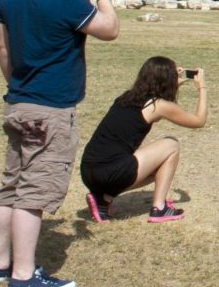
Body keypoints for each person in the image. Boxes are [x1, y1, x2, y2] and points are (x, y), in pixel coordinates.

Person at [0, 0, 120, 287]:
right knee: (34, 191)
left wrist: (18, 85)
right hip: (52, 110)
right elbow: (109, 30)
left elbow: (3, 49)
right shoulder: (67, 0)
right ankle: (24, 275)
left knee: (10, 186)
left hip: (18, 102)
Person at [80, 56, 209, 224]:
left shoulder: (126, 98)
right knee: (171, 144)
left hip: (88, 171)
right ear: (166, 80)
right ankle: (159, 208)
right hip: (111, 172)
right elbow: (199, 121)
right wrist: (202, 87)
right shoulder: (158, 105)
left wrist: (173, 82)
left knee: (159, 169)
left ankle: (103, 199)